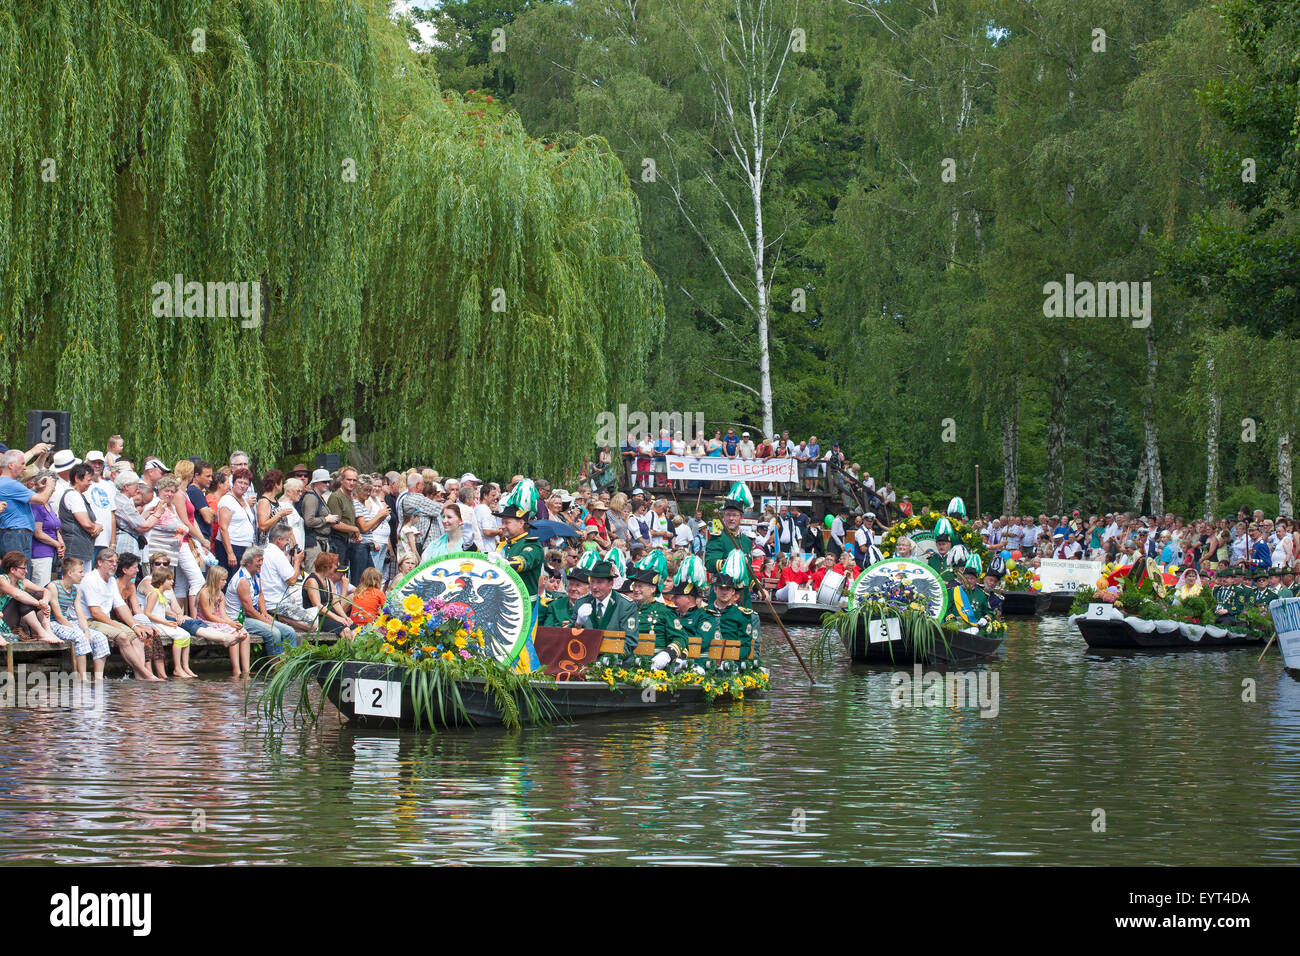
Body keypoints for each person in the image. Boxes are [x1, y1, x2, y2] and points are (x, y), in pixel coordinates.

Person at [77, 549, 160, 681]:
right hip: (88, 620)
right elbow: (95, 611)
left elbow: (120, 606)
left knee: (138, 636)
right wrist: (116, 626)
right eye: (110, 561)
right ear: (99, 562)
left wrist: (135, 625)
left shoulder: (111, 580)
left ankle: (139, 676)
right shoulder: (91, 579)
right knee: (122, 636)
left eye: (116, 561)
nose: (114, 564)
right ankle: (147, 674)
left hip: (103, 620)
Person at [44, 556, 111, 681]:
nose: (83, 575)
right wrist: (79, 632)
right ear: (70, 573)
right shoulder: (53, 586)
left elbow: (80, 614)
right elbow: (58, 616)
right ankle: (83, 678)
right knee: (79, 637)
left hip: (69, 623)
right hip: (54, 624)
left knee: (100, 637)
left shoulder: (75, 590)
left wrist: (86, 631)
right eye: (80, 572)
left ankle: (98, 678)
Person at [226, 547, 298, 656]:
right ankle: (276, 667)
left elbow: (260, 595)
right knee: (274, 632)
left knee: (290, 631)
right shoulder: (242, 580)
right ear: (248, 563)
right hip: (240, 619)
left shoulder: (256, 574)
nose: (261, 563)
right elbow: (249, 610)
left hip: (253, 615)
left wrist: (264, 613)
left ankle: (290, 664)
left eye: (262, 560)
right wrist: (266, 621)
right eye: (258, 561)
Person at [115, 553, 167, 680]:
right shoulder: (115, 585)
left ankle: (160, 673)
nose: (138, 570)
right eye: (135, 567)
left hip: (130, 619)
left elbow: (136, 608)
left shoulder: (131, 585)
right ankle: (146, 671)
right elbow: (118, 613)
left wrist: (147, 624)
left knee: (152, 631)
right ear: (124, 570)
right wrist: (140, 626)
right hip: (118, 620)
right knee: (143, 633)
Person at [0, 450, 57, 561]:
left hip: (16, 535)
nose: (25, 468)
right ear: (11, 465)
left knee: (20, 572)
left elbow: (22, 497)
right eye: (22, 464)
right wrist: (50, 486)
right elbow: (41, 499)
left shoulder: (6, 483)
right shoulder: (10, 484)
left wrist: (37, 488)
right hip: (15, 535)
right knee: (17, 573)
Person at [196, 566, 252, 677]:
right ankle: (236, 670)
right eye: (223, 580)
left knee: (245, 635)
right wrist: (227, 623)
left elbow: (223, 614)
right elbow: (208, 615)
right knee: (234, 634)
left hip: (220, 621)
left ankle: (246, 670)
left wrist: (232, 622)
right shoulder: (204, 593)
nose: (225, 582)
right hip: (206, 622)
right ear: (215, 579)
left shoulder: (221, 594)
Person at [0, 550, 62, 644]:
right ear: (12, 570)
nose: (26, 571)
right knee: (21, 599)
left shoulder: (23, 582)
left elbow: (46, 591)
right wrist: (39, 604)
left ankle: (47, 631)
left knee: (39, 595)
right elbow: (17, 594)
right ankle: (41, 633)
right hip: (2, 620)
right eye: (23, 568)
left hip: (14, 621)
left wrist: (44, 602)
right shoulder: (2, 579)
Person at [571, 560, 637, 633]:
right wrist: (578, 623)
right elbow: (568, 635)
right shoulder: (581, 602)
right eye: (592, 581)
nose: (594, 587)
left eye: (599, 582)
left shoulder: (625, 605)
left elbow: (630, 640)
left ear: (611, 584)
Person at [303, 552, 354, 638]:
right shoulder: (312, 581)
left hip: (329, 615)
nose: (336, 567)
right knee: (346, 631)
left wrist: (345, 617)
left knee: (355, 629)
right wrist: (337, 618)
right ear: (326, 567)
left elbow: (335, 602)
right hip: (317, 617)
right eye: (334, 565)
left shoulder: (328, 581)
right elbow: (318, 606)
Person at [218, 467, 257, 570]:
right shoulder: (227, 500)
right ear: (233, 482)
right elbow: (223, 528)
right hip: (232, 546)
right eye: (240, 482)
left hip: (245, 547)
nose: (242, 486)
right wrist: (230, 553)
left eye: (246, 484)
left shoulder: (244, 500)